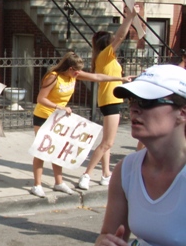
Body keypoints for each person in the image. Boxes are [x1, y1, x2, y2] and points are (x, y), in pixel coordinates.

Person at [94, 64, 186, 246]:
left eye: (147, 103)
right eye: (133, 102)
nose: (135, 110)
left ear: (182, 112)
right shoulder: (127, 169)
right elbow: (109, 238)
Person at [30, 51, 130, 197]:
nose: (78, 73)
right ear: (69, 68)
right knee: (42, 150)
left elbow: (97, 77)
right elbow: (41, 98)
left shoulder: (74, 75)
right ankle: (37, 185)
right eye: (76, 71)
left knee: (57, 150)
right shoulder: (53, 77)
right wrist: (59, 107)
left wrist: (120, 78)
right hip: (44, 116)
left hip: (59, 118)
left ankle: (59, 182)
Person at [78, 4, 140, 190]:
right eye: (113, 42)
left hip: (109, 100)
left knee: (107, 141)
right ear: (107, 44)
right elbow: (121, 35)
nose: (117, 43)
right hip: (111, 101)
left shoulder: (106, 58)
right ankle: (86, 175)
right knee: (108, 142)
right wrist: (130, 17)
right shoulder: (106, 55)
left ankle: (106, 174)